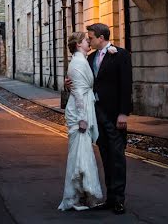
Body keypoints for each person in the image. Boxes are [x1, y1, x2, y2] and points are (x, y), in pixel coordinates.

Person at [66, 23, 132, 214]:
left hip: (114, 115)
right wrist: (67, 84)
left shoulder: (120, 55)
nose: (89, 40)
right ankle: (110, 198)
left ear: (101, 38)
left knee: (118, 157)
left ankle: (119, 200)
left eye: (91, 37)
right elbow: (82, 82)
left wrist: (123, 113)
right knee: (106, 156)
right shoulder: (91, 57)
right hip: (96, 115)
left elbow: (126, 85)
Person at [58, 31, 103, 211]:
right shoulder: (77, 62)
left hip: (83, 107)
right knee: (80, 154)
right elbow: (77, 93)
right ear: (78, 44)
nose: (88, 42)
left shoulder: (82, 59)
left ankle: (84, 193)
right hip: (79, 112)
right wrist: (82, 119)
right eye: (86, 40)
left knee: (83, 154)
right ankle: (77, 195)